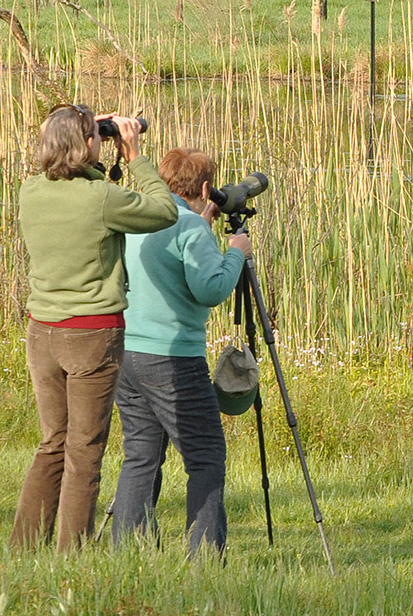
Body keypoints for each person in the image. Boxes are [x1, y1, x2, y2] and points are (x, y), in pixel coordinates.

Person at [11, 104, 176, 551]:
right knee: (84, 449)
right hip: (92, 334)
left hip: (41, 330)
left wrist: (86, 135)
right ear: (88, 145)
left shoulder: (30, 190)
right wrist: (134, 151)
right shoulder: (101, 197)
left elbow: (80, 182)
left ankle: (25, 545)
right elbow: (164, 211)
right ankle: (71, 552)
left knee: (52, 443)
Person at [109, 147, 250, 555]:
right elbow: (211, 289)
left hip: (126, 351)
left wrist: (202, 230)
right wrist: (236, 253)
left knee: (140, 455)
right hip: (172, 358)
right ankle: (204, 556)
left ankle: (129, 553)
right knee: (205, 454)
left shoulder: (138, 217)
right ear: (207, 188)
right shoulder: (190, 228)